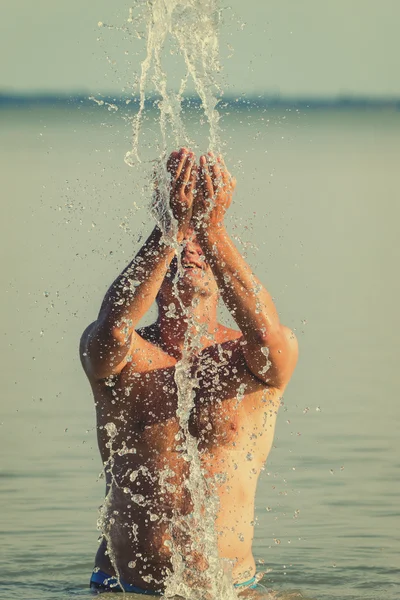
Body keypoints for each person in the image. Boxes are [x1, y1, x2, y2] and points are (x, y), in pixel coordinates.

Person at [80, 148, 298, 595]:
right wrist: (169, 228)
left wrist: (213, 228)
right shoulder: (126, 356)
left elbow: (270, 339)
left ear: (224, 270)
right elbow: (112, 332)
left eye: (202, 245)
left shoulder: (249, 362)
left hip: (231, 589)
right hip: (121, 588)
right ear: (155, 269)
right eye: (183, 241)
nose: (190, 247)